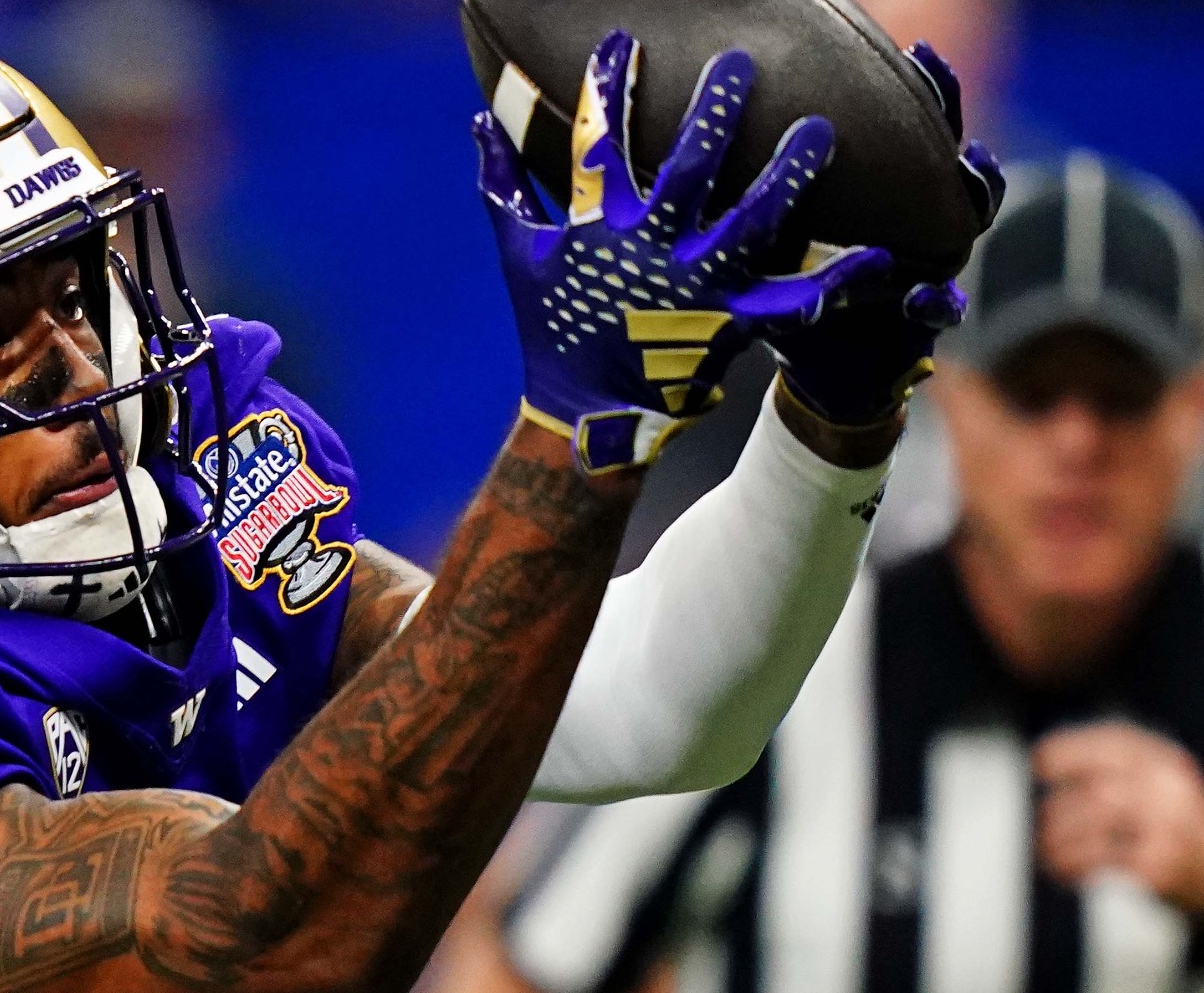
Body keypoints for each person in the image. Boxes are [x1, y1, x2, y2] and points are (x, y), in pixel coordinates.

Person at [0, 19, 996, 991]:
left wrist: (833, 420)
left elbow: (642, 705)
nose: (85, 372)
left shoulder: (192, 506)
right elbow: (264, 950)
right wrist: (577, 439)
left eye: (72, 290)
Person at [478, 155, 1204, 993]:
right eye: (1031, 392)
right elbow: (522, 967)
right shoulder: (789, 663)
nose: (1077, 444)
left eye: (1122, 396)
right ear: (955, 400)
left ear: (1191, 410)